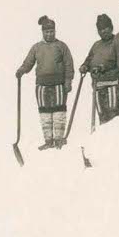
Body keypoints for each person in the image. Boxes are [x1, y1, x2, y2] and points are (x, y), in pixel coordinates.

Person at [16, 16, 74, 150]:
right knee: (45, 113)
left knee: (59, 112)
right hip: (42, 86)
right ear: (42, 32)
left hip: (59, 85)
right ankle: (48, 141)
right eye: (47, 32)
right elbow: (28, 63)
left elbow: (68, 64)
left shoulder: (61, 46)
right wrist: (21, 71)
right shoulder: (36, 48)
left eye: (52, 31)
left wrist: (68, 81)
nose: (49, 34)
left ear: (55, 31)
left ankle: (59, 140)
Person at [80, 14, 119, 124]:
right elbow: (89, 60)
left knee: (114, 114)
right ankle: (104, 139)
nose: (103, 31)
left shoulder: (118, 42)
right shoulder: (96, 45)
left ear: (111, 28)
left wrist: (104, 67)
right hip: (98, 85)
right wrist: (85, 66)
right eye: (100, 29)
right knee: (102, 114)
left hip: (113, 84)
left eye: (106, 28)